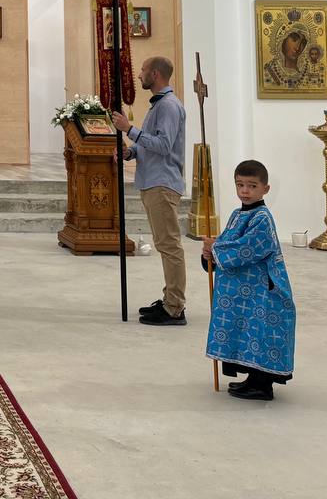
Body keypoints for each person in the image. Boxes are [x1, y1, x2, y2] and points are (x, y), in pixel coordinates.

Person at [203, 159, 295, 400]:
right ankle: (253, 379)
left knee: (261, 333)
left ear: (265, 189)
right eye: (240, 185)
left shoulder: (262, 218)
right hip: (245, 292)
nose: (245, 191)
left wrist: (216, 249)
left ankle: (262, 385)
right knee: (247, 332)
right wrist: (209, 253)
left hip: (263, 290)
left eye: (252, 186)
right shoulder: (237, 215)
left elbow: (248, 248)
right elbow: (227, 242)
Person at [111, 56, 187, 325]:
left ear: (155, 74)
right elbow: (152, 143)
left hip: (162, 183)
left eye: (143, 70)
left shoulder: (168, 106)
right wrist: (131, 152)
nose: (139, 75)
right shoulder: (160, 105)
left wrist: (129, 130)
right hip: (153, 181)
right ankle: (169, 299)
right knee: (165, 244)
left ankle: (174, 307)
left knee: (169, 246)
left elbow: (164, 145)